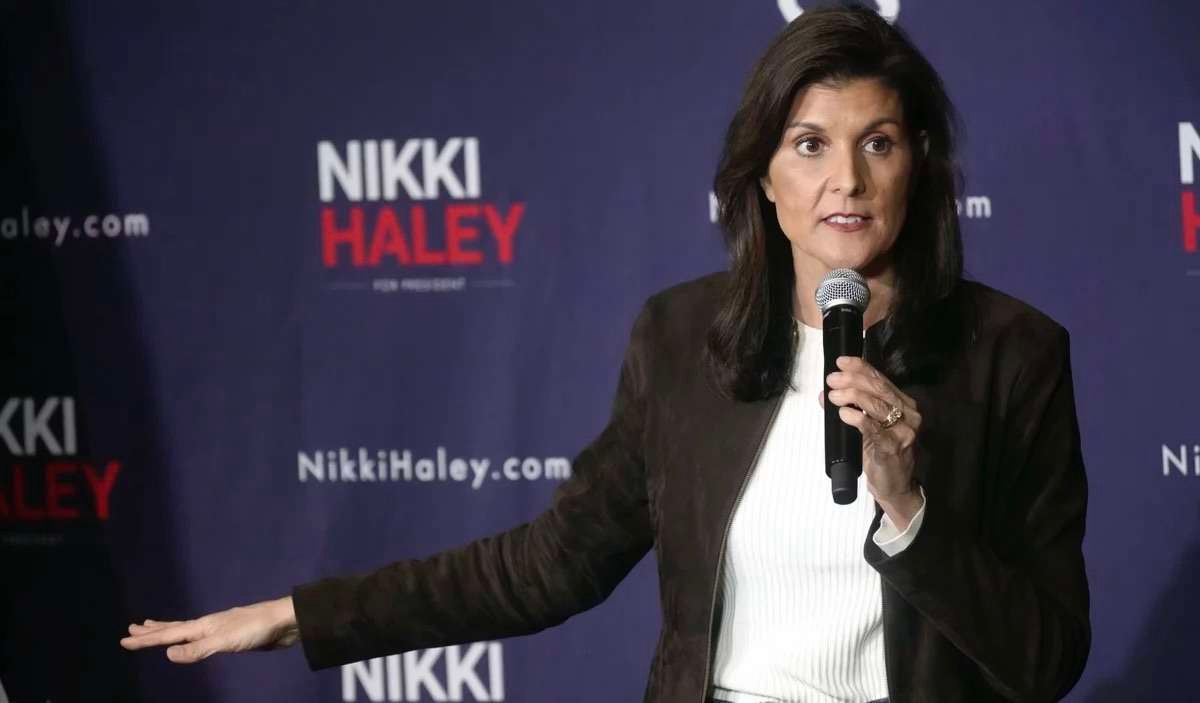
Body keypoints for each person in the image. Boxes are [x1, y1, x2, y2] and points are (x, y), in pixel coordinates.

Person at [120, 4, 1091, 702]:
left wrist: (911, 510)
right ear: (761, 172)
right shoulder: (680, 342)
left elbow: (1045, 660)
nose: (845, 178)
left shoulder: (1013, 359)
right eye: (809, 144)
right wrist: (305, 614)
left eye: (877, 143)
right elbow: (547, 565)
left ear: (916, 161)